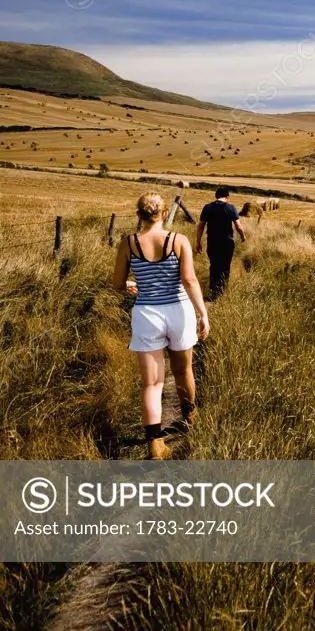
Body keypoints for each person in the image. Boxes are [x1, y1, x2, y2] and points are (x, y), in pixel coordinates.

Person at [113, 192, 210, 460]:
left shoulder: (128, 243)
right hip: (179, 312)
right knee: (183, 370)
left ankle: (156, 444)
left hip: (147, 314)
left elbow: (118, 284)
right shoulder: (177, 240)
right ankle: (191, 417)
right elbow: (189, 280)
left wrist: (133, 284)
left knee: (152, 384)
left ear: (138, 215)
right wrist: (203, 313)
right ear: (165, 214)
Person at [196, 187, 246, 299]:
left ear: (216, 196)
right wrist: (243, 236)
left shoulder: (207, 207)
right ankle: (221, 292)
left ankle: (212, 291)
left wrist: (198, 242)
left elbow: (200, 226)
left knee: (214, 265)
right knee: (225, 266)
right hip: (227, 243)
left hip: (212, 241)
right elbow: (238, 226)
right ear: (227, 196)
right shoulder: (230, 207)